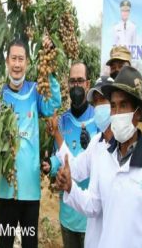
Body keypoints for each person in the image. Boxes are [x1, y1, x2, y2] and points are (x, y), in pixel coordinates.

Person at [58, 66, 142, 248]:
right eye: (113, 106)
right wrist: (70, 187)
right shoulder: (105, 153)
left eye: (124, 105)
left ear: (137, 113)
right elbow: (93, 205)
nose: (116, 113)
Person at [0, 38, 61, 248]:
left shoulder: (35, 91)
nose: (17, 64)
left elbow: (53, 104)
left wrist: (49, 71)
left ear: (27, 62)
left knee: (30, 243)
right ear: (7, 61)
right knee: (5, 242)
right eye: (13, 59)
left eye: (21, 59)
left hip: (30, 190)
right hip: (7, 189)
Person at [44, 76, 114, 248]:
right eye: (96, 102)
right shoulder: (97, 143)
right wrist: (68, 184)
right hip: (89, 232)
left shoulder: (129, 150)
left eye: (104, 99)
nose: (99, 106)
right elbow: (74, 168)